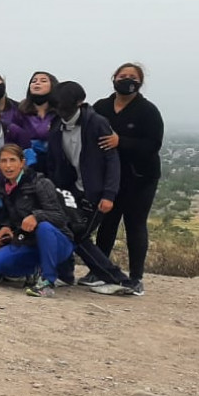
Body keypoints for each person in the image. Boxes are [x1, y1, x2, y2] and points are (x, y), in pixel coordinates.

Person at [47, 81, 138, 293]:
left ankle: (118, 280)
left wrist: (108, 194)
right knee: (66, 229)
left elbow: (112, 161)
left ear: (79, 103)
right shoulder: (56, 125)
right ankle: (66, 274)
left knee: (78, 235)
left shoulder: (97, 123)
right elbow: (54, 161)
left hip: (95, 193)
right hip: (70, 191)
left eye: (65, 106)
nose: (62, 111)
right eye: (58, 107)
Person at [93, 63, 163, 295]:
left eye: (132, 77)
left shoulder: (148, 110)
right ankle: (99, 270)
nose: (127, 79)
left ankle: (135, 278)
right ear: (113, 78)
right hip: (110, 178)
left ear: (140, 82)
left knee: (134, 225)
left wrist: (120, 141)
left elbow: (153, 144)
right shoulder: (101, 107)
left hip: (140, 178)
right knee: (107, 223)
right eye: (122, 76)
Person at [0, 144, 77, 298]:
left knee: (44, 227)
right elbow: (10, 215)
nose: (8, 166)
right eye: (4, 161)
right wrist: (6, 227)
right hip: (28, 242)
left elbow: (60, 217)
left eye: (12, 160)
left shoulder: (40, 183)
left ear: (22, 162)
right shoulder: (4, 186)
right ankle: (35, 270)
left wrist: (36, 216)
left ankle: (48, 281)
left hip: (58, 241)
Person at [15, 71, 59, 173]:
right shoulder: (21, 111)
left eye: (43, 81)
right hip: (29, 164)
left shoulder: (59, 112)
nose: (37, 83)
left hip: (56, 163)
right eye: (34, 81)